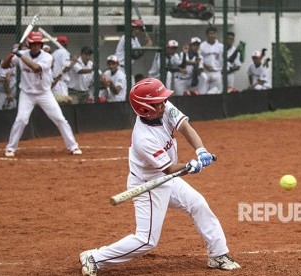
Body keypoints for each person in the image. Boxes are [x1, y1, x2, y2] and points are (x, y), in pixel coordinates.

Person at [79, 78, 240, 276]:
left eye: (163, 100)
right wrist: (190, 166)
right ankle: (95, 257)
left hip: (166, 178)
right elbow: (169, 169)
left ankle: (218, 254)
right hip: (150, 184)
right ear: (145, 108)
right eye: (158, 102)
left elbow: (185, 127)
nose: (164, 104)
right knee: (147, 240)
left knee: (197, 203)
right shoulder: (143, 138)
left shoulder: (163, 108)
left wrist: (201, 150)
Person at [1, 31, 82, 157]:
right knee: (21, 120)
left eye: (38, 44)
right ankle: (11, 148)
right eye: (33, 44)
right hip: (27, 94)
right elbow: (4, 65)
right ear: (29, 44)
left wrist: (19, 55)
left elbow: (36, 68)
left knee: (60, 119)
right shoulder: (21, 54)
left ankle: (73, 146)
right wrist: (12, 53)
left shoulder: (47, 57)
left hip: (44, 93)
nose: (36, 46)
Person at [198, 26, 224, 95]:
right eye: (210, 33)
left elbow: (223, 60)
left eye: (214, 33)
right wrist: (204, 66)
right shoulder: (202, 46)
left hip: (217, 72)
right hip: (206, 72)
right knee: (203, 93)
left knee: (218, 93)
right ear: (207, 35)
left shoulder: (221, 46)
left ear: (216, 35)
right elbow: (199, 59)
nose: (212, 35)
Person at [52, 35, 74, 104]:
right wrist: (74, 62)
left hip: (54, 81)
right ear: (65, 43)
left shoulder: (54, 53)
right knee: (66, 102)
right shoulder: (64, 52)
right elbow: (66, 68)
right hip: (60, 82)